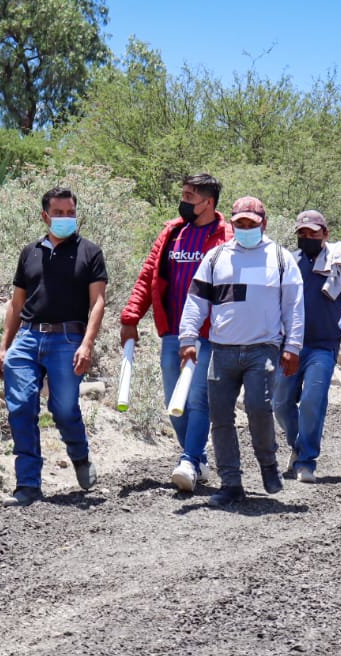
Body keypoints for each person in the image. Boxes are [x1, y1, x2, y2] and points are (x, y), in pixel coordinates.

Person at [179, 196, 304, 507]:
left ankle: (268, 463)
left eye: (251, 223)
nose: (246, 228)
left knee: (259, 407)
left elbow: (294, 307)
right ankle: (231, 482)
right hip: (221, 350)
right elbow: (196, 301)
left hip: (263, 348)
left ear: (264, 223)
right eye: (240, 223)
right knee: (220, 416)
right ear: (232, 224)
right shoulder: (216, 258)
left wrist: (293, 346)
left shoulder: (280, 258)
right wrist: (187, 338)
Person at [0, 186, 107, 506]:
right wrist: (4, 347)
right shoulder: (29, 252)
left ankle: (80, 455)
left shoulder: (90, 252)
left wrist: (87, 344)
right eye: (58, 213)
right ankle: (28, 484)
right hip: (28, 338)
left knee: (64, 408)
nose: (65, 217)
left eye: (70, 212)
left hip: (68, 339)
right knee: (21, 407)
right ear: (45, 216)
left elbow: (98, 302)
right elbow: (16, 304)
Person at [120, 174, 233, 492]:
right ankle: (197, 459)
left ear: (208, 202)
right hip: (172, 331)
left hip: (208, 334)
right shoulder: (172, 233)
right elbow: (148, 276)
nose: (183, 201)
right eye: (183, 194)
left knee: (197, 398)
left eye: (189, 196)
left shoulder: (227, 237)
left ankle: (188, 460)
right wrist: (131, 317)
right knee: (173, 402)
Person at [274, 210, 341, 482]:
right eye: (302, 233)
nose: (307, 237)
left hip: (324, 344)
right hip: (289, 346)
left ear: (325, 233)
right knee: (280, 403)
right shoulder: (288, 262)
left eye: (313, 232)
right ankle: (298, 445)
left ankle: (306, 460)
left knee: (313, 399)